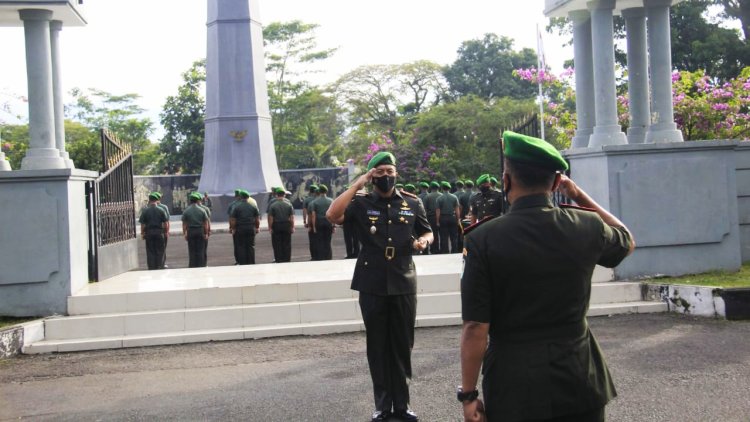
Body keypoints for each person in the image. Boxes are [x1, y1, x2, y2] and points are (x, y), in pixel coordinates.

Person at [459, 131, 636, 422]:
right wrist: (578, 194)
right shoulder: (586, 225)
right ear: (556, 183)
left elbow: (476, 326)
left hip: (514, 386)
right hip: (580, 377)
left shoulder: (482, 239)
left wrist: (468, 395)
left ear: (505, 181)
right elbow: (627, 241)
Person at [326, 151, 433, 422]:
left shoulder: (412, 202)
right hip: (372, 280)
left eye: (390, 171)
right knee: (377, 345)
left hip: (403, 279)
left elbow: (427, 230)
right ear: (372, 175)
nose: (386, 176)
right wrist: (356, 184)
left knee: (402, 344)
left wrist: (424, 242)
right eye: (380, 172)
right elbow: (332, 215)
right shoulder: (361, 203)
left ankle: (403, 404)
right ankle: (383, 405)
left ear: (396, 173)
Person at [138, 192, 169, 270]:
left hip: (149, 232)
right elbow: (166, 223)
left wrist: (142, 233)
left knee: (150, 250)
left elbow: (142, 224)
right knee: (160, 249)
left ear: (149, 200)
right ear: (157, 200)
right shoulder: (161, 210)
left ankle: (151, 266)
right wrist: (166, 232)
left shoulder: (145, 211)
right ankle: (159, 265)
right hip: (159, 232)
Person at [230, 189, 261, 265]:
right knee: (251, 246)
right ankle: (251, 262)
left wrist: (233, 228)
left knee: (241, 246)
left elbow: (233, 219)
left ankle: (243, 262)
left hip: (240, 228)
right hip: (251, 228)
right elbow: (257, 219)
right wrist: (257, 227)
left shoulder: (237, 207)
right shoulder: (253, 206)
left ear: (241, 197)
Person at [181, 192, 210, 268]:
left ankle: (192, 265)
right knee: (200, 249)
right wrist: (206, 233)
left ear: (190, 200)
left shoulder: (186, 211)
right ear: (198, 200)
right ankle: (201, 265)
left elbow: (184, 224)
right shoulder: (202, 210)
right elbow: (205, 224)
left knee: (192, 250)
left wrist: (185, 233)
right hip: (200, 231)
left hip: (191, 231)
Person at [268, 187, 295, 263]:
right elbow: (292, 217)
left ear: (276, 195)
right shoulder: (289, 204)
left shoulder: (273, 205)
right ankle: (286, 259)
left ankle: (278, 259)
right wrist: (292, 227)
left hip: (276, 225)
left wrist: (270, 227)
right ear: (284, 195)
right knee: (287, 243)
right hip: (286, 225)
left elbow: (270, 218)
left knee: (277, 243)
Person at [435, 181, 461, 254]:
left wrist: (437, 221)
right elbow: (457, 210)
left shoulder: (439, 198)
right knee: (454, 236)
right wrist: (458, 219)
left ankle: (445, 251)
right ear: (449, 188)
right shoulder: (454, 197)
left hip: (443, 218)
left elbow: (438, 211)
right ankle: (454, 251)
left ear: (442, 188)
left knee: (444, 236)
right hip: (452, 218)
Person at [310, 184, 334, 260]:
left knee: (320, 241)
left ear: (319, 191)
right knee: (328, 241)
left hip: (319, 223)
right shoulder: (331, 201)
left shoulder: (315, 202)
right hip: (328, 222)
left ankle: (321, 257)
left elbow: (313, 215)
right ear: (326, 191)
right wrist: (333, 225)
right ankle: (328, 257)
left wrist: (314, 227)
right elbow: (333, 213)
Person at [423, 181, 442, 254]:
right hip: (441, 217)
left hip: (431, 217)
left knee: (432, 234)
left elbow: (424, 209)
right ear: (438, 188)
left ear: (430, 188)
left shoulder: (427, 196)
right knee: (440, 234)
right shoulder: (441, 195)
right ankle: (439, 249)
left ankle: (431, 250)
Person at [153, 192, 171, 268]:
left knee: (153, 248)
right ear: (159, 198)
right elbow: (167, 221)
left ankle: (153, 264)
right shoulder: (164, 207)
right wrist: (167, 231)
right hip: (162, 231)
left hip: (150, 231)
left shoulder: (147, 207)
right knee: (162, 248)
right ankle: (161, 264)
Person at [303, 184, 320, 260]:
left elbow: (304, 211)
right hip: (320, 221)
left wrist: (305, 221)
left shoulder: (307, 200)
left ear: (310, 191)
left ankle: (314, 256)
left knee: (312, 240)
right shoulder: (320, 199)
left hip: (311, 222)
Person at [228, 189, 243, 264]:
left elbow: (231, 218)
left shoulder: (232, 205)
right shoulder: (247, 203)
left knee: (237, 244)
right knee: (245, 244)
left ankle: (238, 260)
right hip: (244, 226)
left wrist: (231, 227)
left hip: (236, 227)